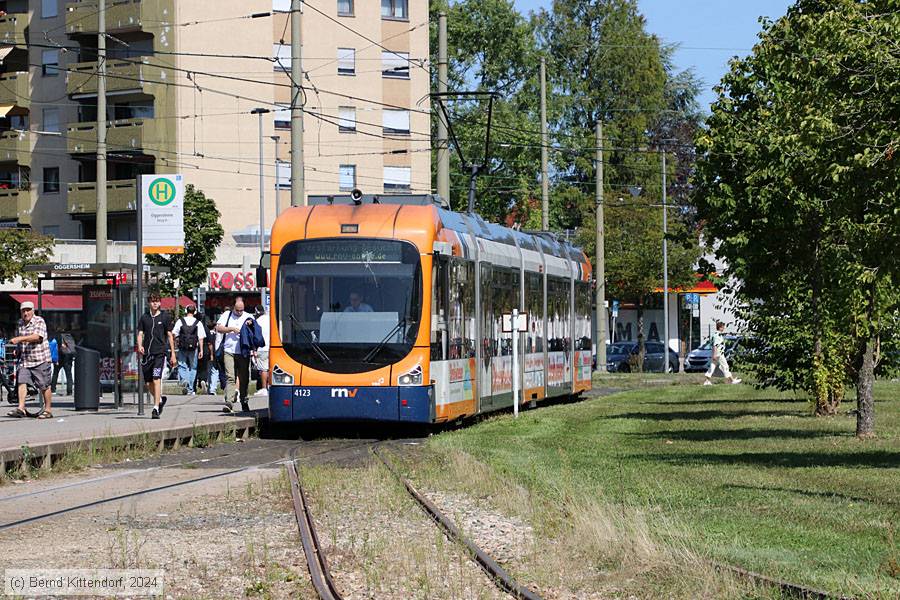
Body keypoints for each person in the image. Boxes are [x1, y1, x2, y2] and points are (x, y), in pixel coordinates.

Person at [7, 302, 53, 419]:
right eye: (23, 311)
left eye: (28, 310)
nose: (25, 313)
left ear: (33, 311)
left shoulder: (39, 321)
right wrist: (17, 350)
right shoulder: (20, 323)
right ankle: (21, 408)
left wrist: (19, 339)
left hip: (40, 359)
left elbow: (37, 337)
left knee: (44, 385)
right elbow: (21, 342)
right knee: (21, 381)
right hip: (25, 360)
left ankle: (48, 410)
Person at [137, 292, 177, 419]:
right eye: (153, 301)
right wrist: (139, 345)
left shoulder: (165, 317)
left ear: (160, 303)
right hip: (147, 354)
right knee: (148, 383)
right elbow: (140, 333)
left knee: (156, 378)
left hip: (160, 353)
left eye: (157, 301)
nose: (155, 303)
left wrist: (173, 354)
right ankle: (159, 399)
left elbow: (170, 335)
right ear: (149, 302)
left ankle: (155, 408)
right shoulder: (144, 317)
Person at [215, 296, 253, 413]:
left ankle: (244, 401)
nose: (239, 312)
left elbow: (255, 331)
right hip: (229, 350)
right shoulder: (227, 315)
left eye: (242, 310)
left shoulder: (248, 316)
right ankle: (229, 402)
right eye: (237, 310)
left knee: (244, 378)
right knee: (230, 376)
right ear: (233, 307)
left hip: (243, 352)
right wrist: (231, 329)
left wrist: (251, 325)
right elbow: (218, 328)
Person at [172, 305, 205, 395]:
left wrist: (176, 342)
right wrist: (201, 350)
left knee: (182, 365)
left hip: (182, 346)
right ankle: (190, 389)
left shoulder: (180, 321)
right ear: (195, 312)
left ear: (186, 311)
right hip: (194, 348)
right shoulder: (198, 323)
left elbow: (174, 333)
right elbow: (201, 337)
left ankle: (184, 380)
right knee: (193, 367)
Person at [703, 321, 742, 386]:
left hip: (716, 353)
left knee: (712, 367)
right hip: (719, 354)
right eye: (723, 327)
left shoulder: (715, 334)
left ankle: (707, 381)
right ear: (720, 327)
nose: (724, 328)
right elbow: (715, 345)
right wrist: (715, 355)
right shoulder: (718, 335)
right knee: (725, 366)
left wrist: (713, 354)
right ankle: (732, 380)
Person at [52, 330, 76, 396]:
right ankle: (69, 391)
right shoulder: (70, 336)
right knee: (69, 374)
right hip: (68, 357)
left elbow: (56, 347)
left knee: (55, 373)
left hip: (59, 356)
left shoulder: (58, 336)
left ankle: (53, 389)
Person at [253, 305, 270, 397]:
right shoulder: (270, 319)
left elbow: (255, 336)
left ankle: (264, 388)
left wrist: (254, 349)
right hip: (272, 347)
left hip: (262, 348)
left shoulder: (257, 321)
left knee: (263, 369)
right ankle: (270, 386)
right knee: (270, 368)